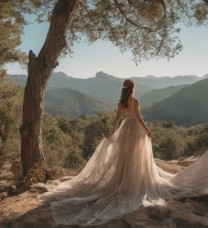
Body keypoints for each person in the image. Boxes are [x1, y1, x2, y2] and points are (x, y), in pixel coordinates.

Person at [38, 79, 176, 226]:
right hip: (135, 129)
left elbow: (117, 119)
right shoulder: (135, 101)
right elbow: (139, 117)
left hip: (125, 129)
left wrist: (112, 132)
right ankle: (134, 180)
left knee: (126, 156)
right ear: (132, 88)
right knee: (136, 155)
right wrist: (147, 130)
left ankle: (124, 179)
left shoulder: (120, 102)